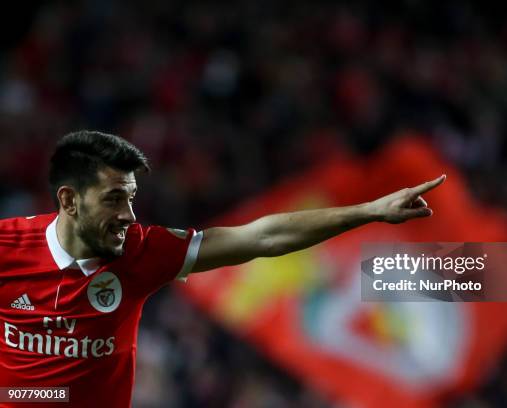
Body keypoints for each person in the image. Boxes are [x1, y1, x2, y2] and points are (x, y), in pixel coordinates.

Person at [0, 131, 445, 407]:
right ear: (69, 200)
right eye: (114, 199)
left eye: (131, 198)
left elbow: (262, 237)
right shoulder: (8, 248)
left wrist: (369, 210)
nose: (129, 215)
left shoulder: (140, 251)